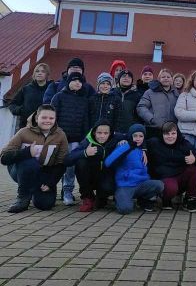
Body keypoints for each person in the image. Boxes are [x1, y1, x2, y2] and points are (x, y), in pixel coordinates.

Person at [0, 104, 68, 213]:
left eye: (51, 118)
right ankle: (23, 198)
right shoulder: (23, 132)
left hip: (44, 174)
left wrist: (51, 182)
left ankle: (34, 190)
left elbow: (62, 162)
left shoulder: (61, 135)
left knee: (45, 205)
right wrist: (26, 153)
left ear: (55, 119)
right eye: (44, 117)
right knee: (29, 162)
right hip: (20, 170)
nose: (48, 121)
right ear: (37, 118)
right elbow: (4, 158)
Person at [147, 121, 196, 212]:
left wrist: (195, 159)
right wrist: (143, 150)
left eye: (173, 133)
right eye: (167, 134)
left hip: (181, 177)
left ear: (177, 133)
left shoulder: (183, 143)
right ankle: (166, 200)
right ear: (162, 134)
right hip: (164, 178)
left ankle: (190, 198)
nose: (170, 136)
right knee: (171, 188)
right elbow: (138, 140)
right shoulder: (154, 143)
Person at [104, 124, 163, 214]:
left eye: (141, 136)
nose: (138, 138)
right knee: (125, 209)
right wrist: (128, 146)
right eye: (135, 135)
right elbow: (108, 162)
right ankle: (119, 198)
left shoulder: (143, 149)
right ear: (130, 136)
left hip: (140, 184)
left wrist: (144, 149)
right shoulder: (123, 146)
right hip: (125, 185)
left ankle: (143, 200)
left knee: (159, 185)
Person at [51, 73, 90, 206]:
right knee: (55, 164)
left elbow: (86, 121)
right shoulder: (59, 97)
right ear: (68, 82)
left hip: (75, 139)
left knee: (70, 167)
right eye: (74, 80)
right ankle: (49, 188)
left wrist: (84, 138)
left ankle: (67, 191)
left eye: (80, 81)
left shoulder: (84, 100)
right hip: (59, 139)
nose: (78, 83)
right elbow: (52, 117)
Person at [64, 119, 120, 212]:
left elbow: (133, 136)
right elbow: (67, 160)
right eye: (99, 133)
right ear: (94, 132)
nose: (102, 136)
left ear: (110, 133)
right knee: (81, 162)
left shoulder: (116, 138)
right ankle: (87, 197)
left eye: (106, 133)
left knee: (102, 201)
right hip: (91, 176)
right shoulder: (87, 142)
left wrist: (141, 148)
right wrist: (85, 152)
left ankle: (102, 197)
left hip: (107, 176)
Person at [9, 63, 53, 129]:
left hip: (45, 127)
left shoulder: (52, 89)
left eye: (43, 71)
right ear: (34, 74)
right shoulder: (26, 89)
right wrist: (21, 110)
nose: (39, 73)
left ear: (47, 74)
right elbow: (12, 104)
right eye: (37, 71)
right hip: (26, 126)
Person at [137, 68, 179, 137]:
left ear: (172, 79)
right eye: (163, 77)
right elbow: (141, 107)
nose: (166, 78)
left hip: (171, 130)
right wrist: (151, 119)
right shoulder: (150, 92)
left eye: (168, 77)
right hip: (154, 129)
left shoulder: (176, 93)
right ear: (159, 79)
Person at [114, 69, 142, 134]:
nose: (126, 78)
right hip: (113, 132)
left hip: (130, 132)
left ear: (132, 80)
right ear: (119, 79)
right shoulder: (112, 93)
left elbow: (139, 116)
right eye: (123, 76)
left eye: (129, 77)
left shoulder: (137, 95)